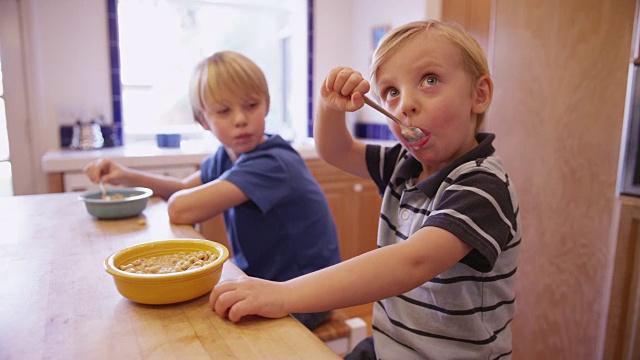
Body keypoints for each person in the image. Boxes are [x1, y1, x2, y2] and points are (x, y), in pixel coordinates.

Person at [209, 20, 521, 359]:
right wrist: (330, 106)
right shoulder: (404, 164)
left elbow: (413, 262)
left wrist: (284, 295)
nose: (405, 104)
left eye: (429, 80)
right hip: (389, 348)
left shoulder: (483, 186)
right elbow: (336, 151)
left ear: (479, 95)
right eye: (391, 91)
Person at [83, 51, 341, 330]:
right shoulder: (225, 156)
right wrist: (126, 176)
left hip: (304, 297)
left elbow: (181, 208)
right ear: (203, 120)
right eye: (223, 111)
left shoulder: (273, 162)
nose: (240, 119)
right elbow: (182, 189)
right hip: (264, 282)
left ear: (267, 105)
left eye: (251, 105)